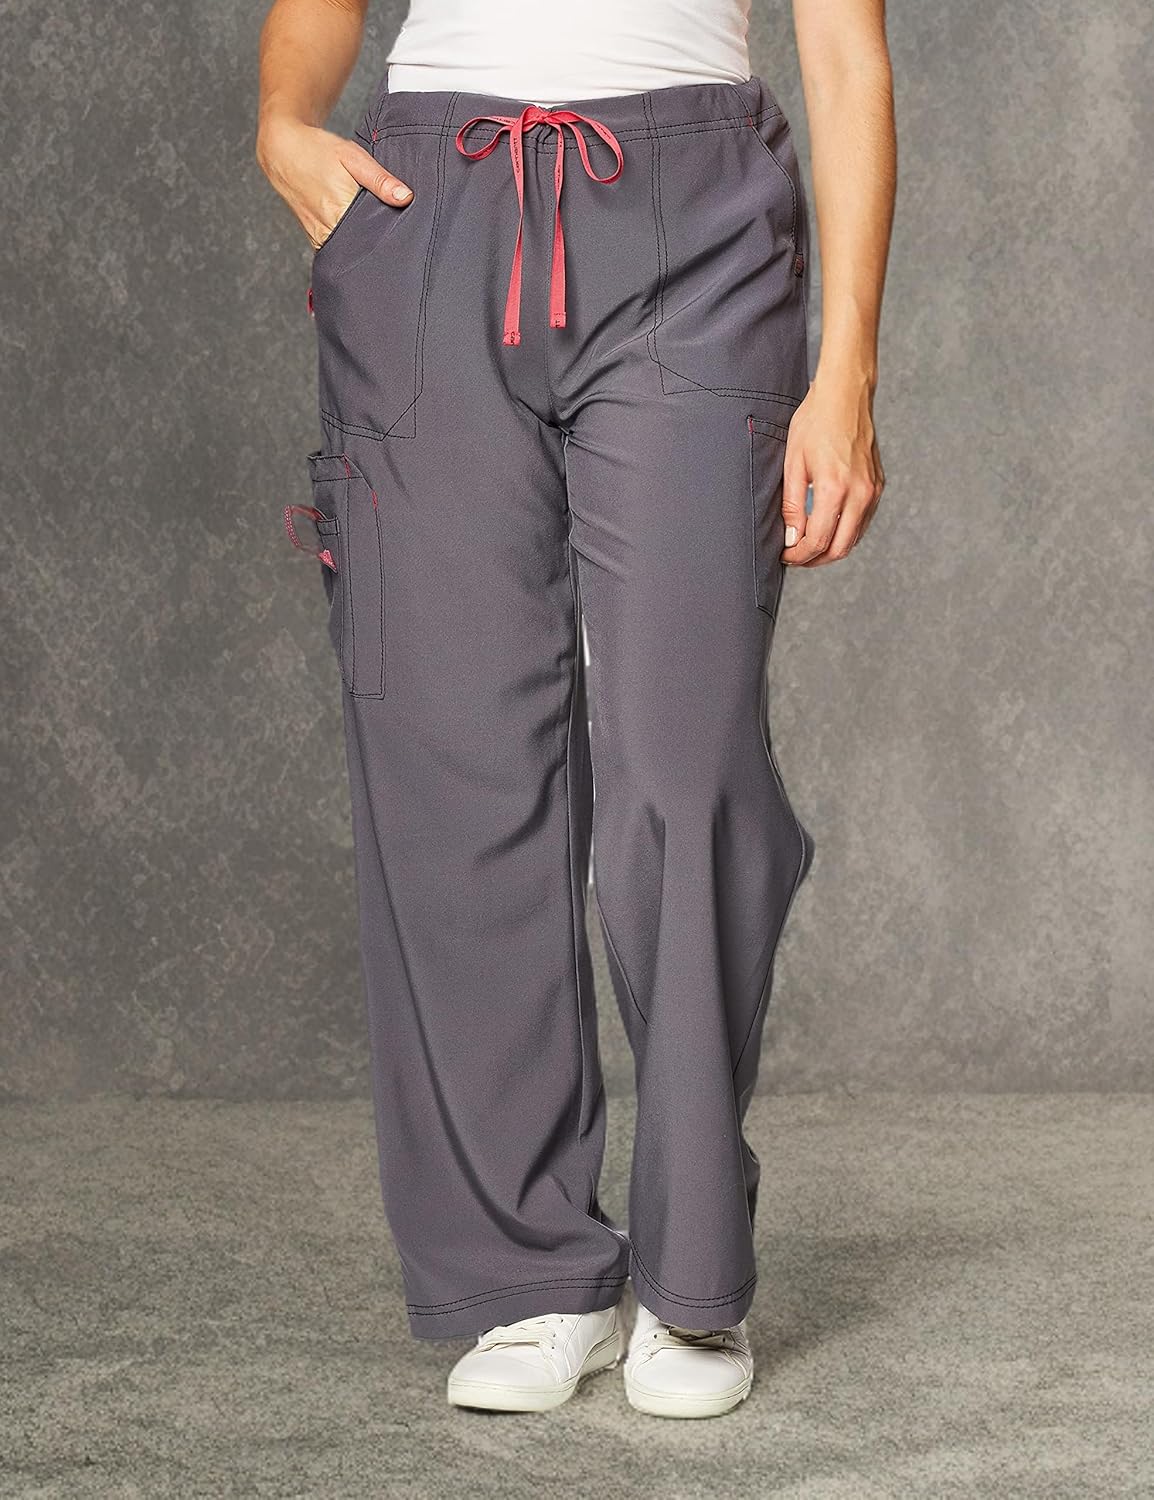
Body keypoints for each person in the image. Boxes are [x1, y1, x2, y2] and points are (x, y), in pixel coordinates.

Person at [256, 0, 894, 1419]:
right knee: (452, 754)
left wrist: (845, 365)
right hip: (429, 209)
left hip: (695, 214)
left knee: (687, 761)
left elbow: (845, 54)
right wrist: (283, 123)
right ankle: (527, 1270)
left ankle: (692, 1275)